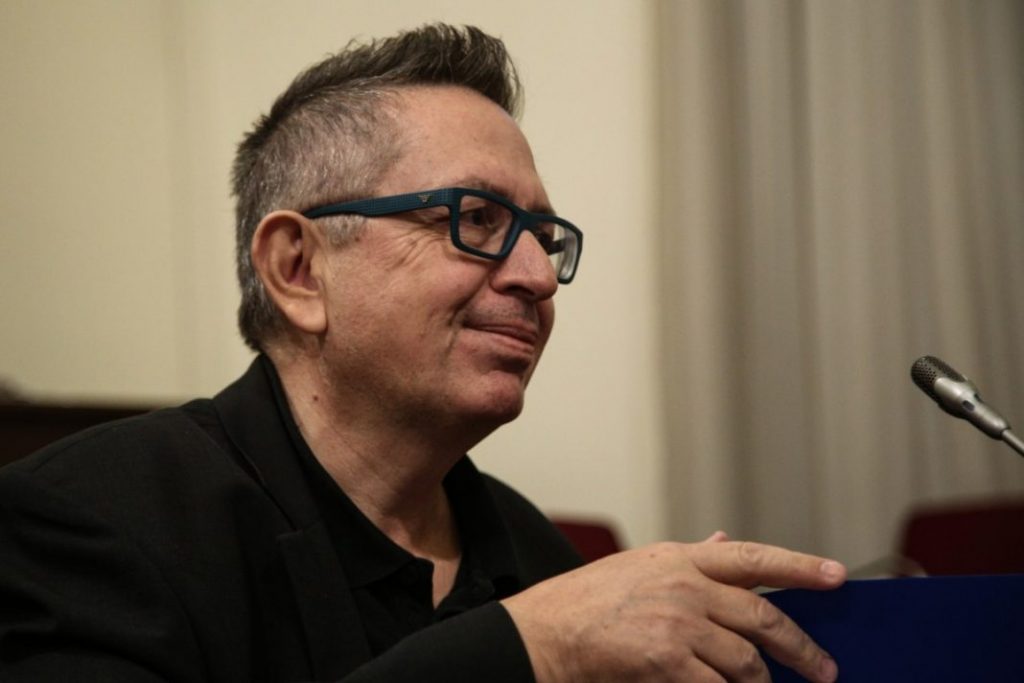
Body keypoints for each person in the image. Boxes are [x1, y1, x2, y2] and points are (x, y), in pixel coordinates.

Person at [0, 24, 845, 682]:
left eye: (544, 237)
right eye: (476, 219)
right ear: (298, 270)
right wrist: (529, 649)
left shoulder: (539, 557)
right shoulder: (87, 524)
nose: (536, 276)